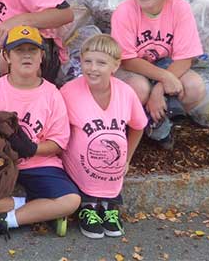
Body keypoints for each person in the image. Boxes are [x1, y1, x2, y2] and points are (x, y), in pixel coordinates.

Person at [0, 25, 80, 240]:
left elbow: (58, 143)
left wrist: (32, 148)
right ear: (6, 55)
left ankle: (4, 222)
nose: (27, 56)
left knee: (71, 200)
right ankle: (36, 209)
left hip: (38, 163)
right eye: (19, 50)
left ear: (42, 55)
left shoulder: (51, 94)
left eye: (32, 50)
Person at [111, 0, 205, 149]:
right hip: (134, 66)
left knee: (194, 87)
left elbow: (185, 58)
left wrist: (159, 89)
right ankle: (143, 123)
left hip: (165, 63)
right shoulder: (124, 11)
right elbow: (127, 60)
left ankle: (160, 120)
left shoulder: (180, 8)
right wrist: (163, 79)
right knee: (139, 89)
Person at [60, 34, 147, 239]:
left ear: (115, 66)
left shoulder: (126, 92)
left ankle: (109, 206)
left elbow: (138, 125)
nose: (93, 68)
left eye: (101, 63)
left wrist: (127, 159)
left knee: (111, 164)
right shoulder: (68, 92)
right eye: (87, 61)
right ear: (80, 61)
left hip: (113, 170)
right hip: (80, 167)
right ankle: (88, 206)